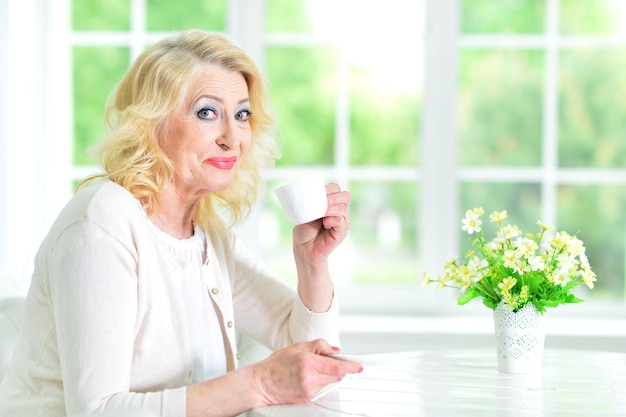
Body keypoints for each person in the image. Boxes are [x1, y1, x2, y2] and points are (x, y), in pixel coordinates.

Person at [0, 29, 362, 417]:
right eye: (207, 112)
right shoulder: (102, 223)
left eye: (242, 115)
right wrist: (258, 384)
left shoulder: (207, 235)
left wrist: (312, 265)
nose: (232, 138)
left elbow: (314, 358)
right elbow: (96, 411)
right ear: (152, 124)